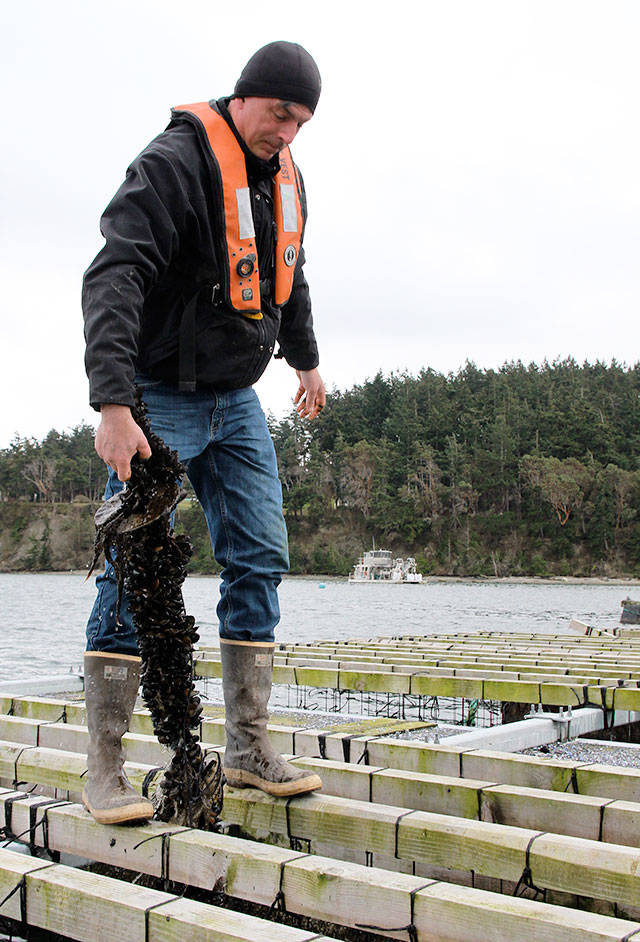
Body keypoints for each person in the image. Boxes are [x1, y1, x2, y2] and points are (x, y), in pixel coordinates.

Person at [82, 41, 325, 825]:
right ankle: (106, 770)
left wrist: (307, 362)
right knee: (133, 577)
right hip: (158, 397)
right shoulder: (175, 161)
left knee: (260, 556)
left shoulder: (284, 176)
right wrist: (113, 402)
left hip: (238, 399)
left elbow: (292, 271)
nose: (286, 134)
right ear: (244, 97)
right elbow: (114, 274)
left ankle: (251, 748)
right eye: (278, 115)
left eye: (302, 123)